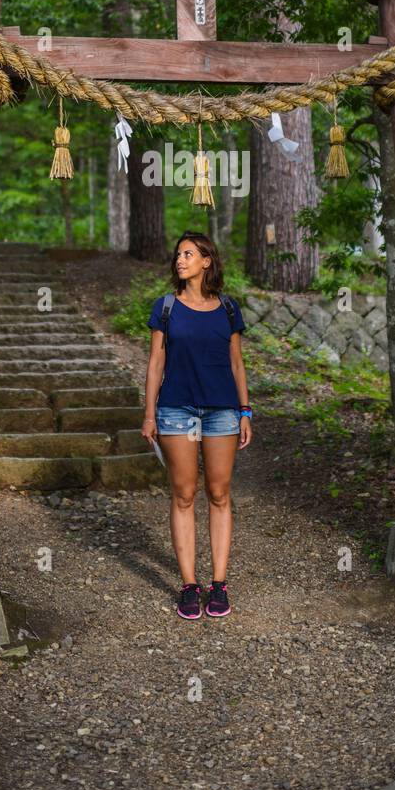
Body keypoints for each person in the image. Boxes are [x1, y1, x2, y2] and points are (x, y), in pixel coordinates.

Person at [142, 230, 253, 621]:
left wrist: (245, 411)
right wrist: (149, 413)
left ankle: (219, 584)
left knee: (219, 493)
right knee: (184, 493)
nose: (180, 259)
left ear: (207, 261)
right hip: (176, 410)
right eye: (178, 254)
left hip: (222, 410)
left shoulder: (228, 309)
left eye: (188, 254)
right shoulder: (166, 307)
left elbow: (237, 363)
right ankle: (190, 586)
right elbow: (156, 363)